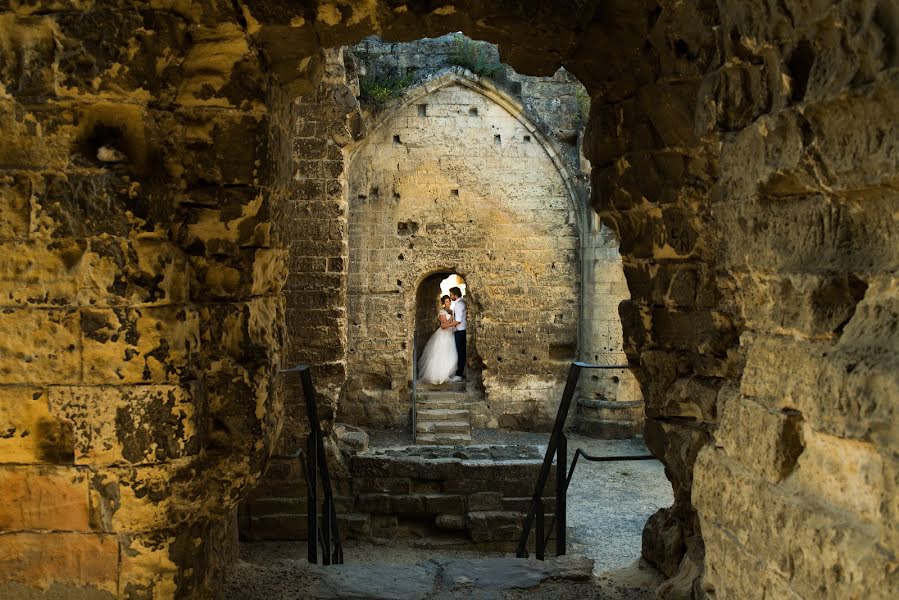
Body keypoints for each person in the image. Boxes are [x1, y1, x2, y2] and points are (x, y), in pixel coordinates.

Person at [417, 295, 458, 384]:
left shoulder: (451, 310)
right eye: (447, 301)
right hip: (443, 335)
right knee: (441, 354)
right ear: (443, 303)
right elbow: (444, 324)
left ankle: (449, 373)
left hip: (451, 334)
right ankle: (438, 375)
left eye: (449, 301)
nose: (449, 303)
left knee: (451, 353)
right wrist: (452, 317)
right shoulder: (442, 312)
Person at [446, 287, 467, 382]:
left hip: (460, 332)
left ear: (455, 295)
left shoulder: (459, 305)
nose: (450, 297)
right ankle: (459, 372)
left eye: (451, 295)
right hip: (460, 331)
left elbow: (458, 321)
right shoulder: (459, 304)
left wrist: (447, 326)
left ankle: (459, 374)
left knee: (460, 353)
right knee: (459, 352)